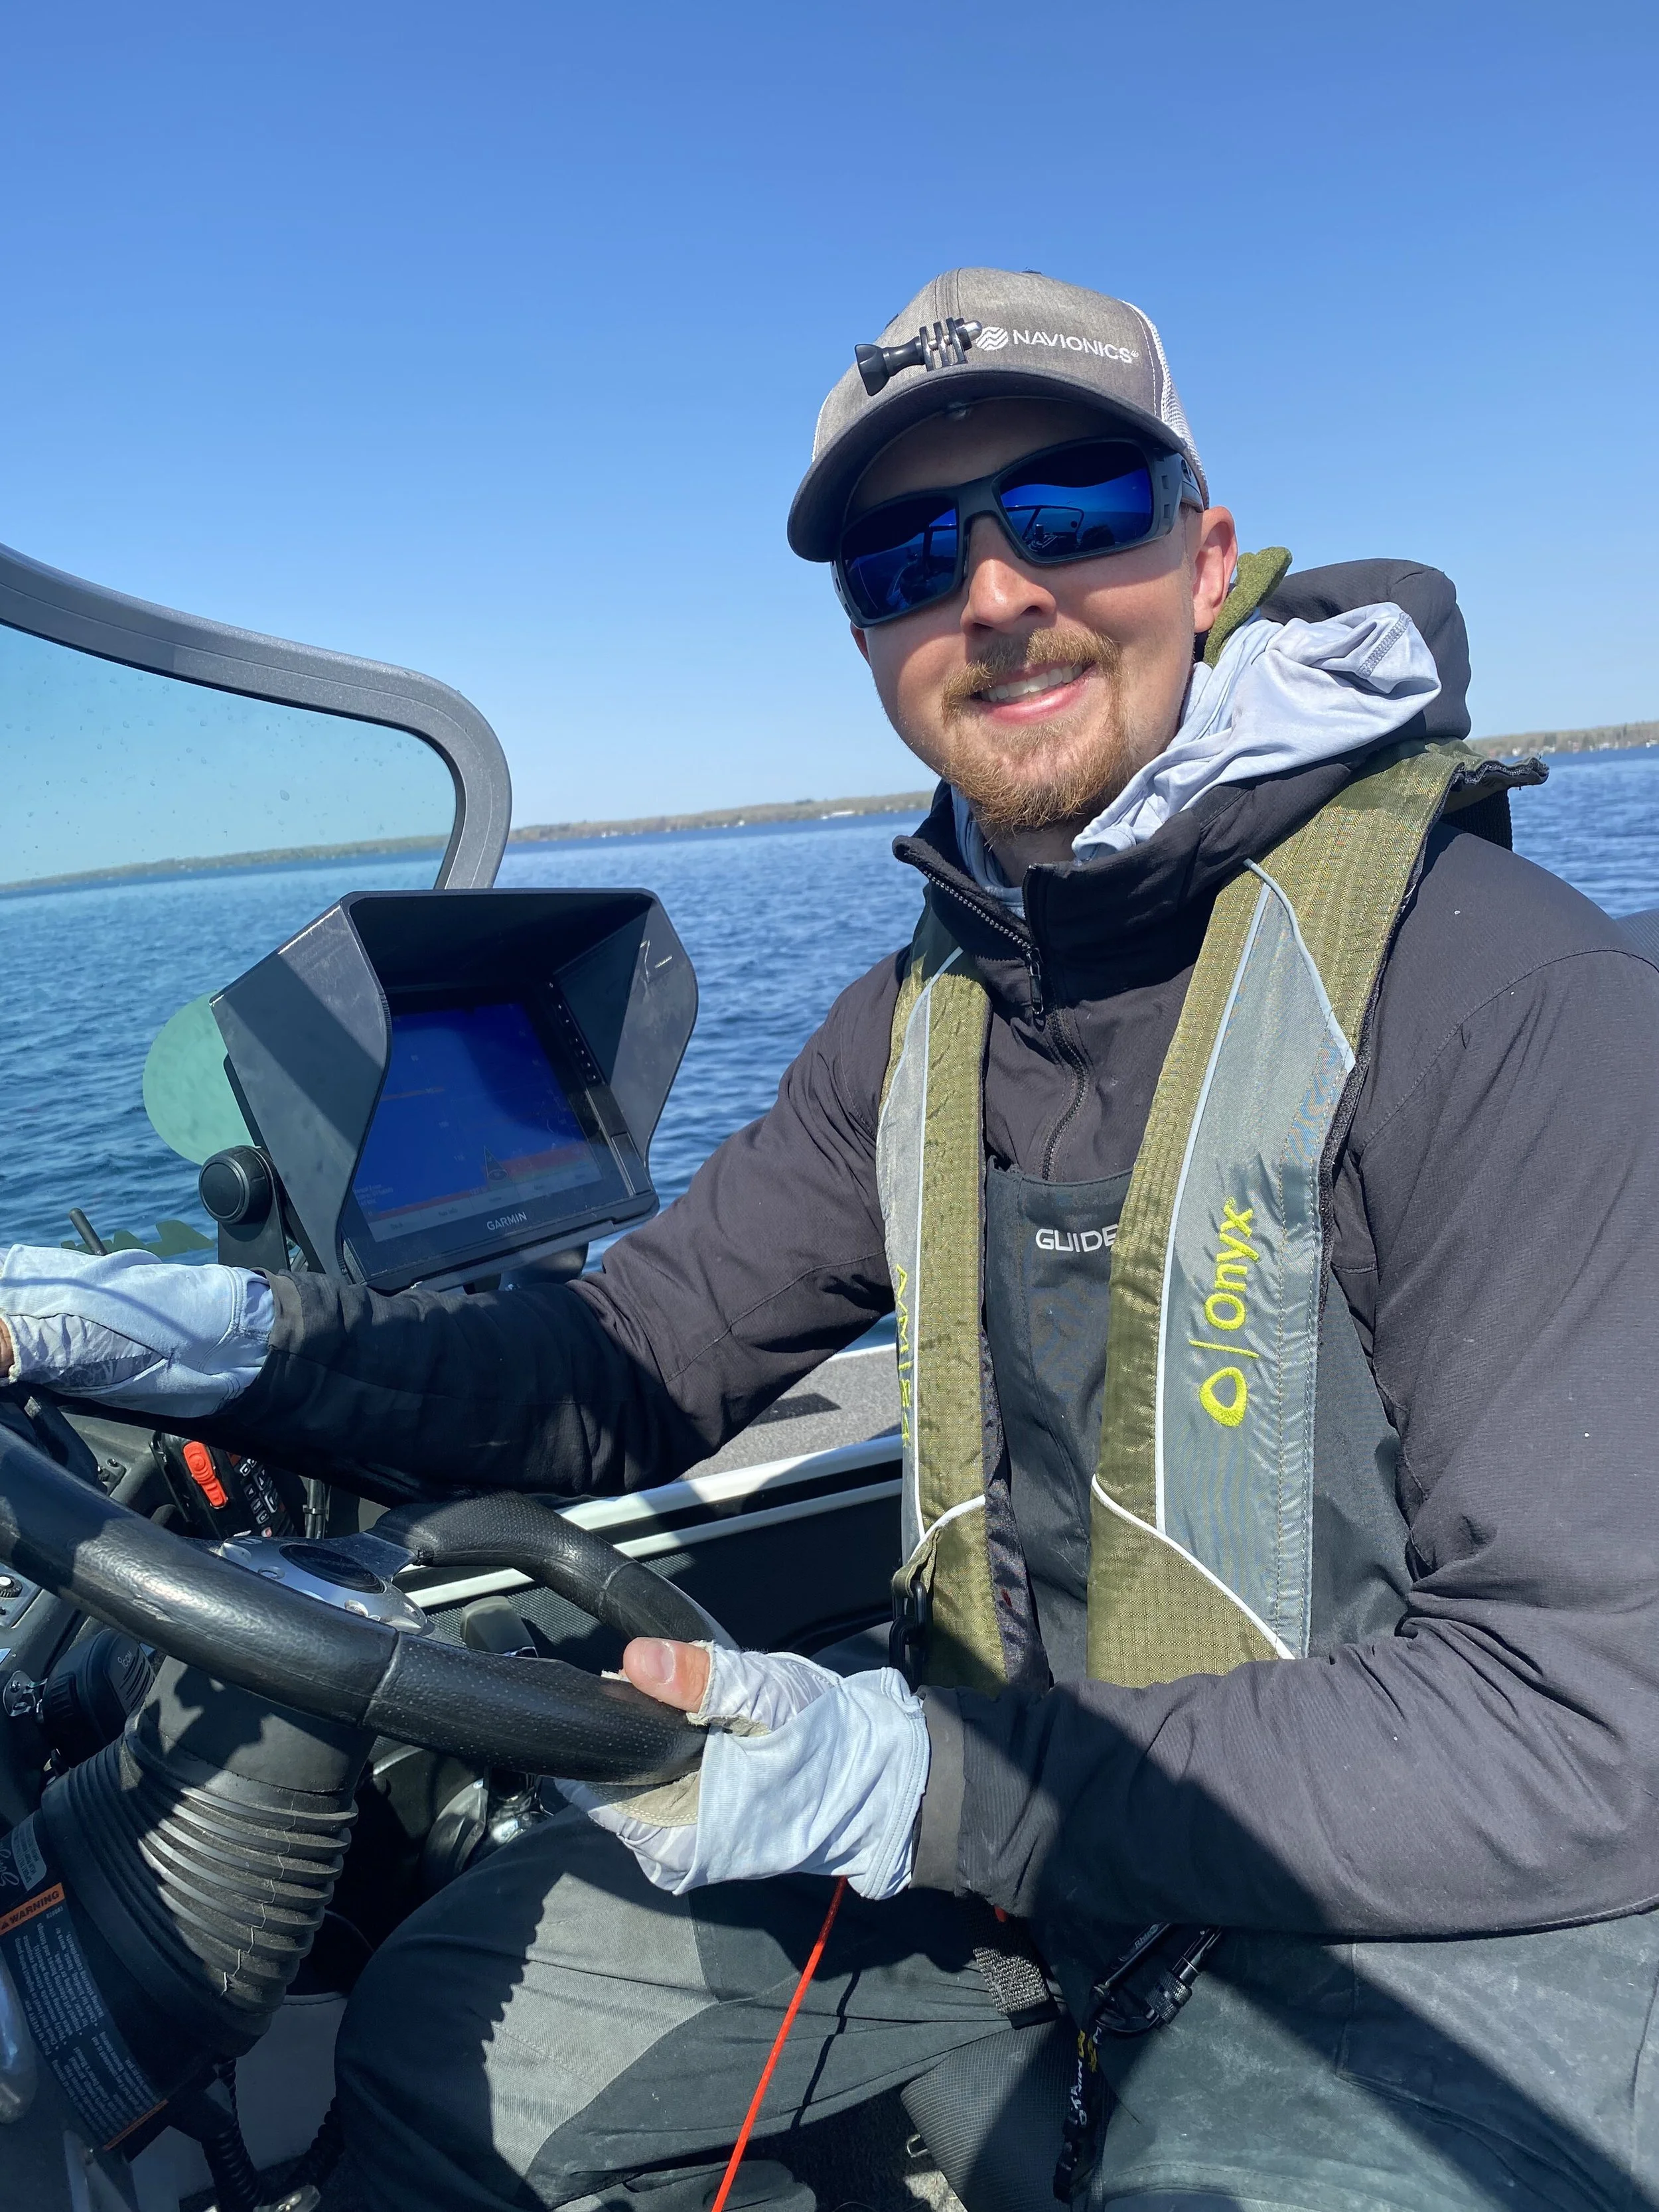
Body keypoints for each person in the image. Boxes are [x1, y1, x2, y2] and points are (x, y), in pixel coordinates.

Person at [6, 267, 1659, 2212]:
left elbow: (1577, 1726)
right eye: (902, 558)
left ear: (1201, 556)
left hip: (1426, 1913)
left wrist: (909, 1776)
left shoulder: (1497, 990)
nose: (992, 594)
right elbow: (628, 1364)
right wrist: (227, 1340)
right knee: (445, 2028)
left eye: (1065, 514)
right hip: (1035, 1867)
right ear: (869, 636)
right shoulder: (925, 1011)